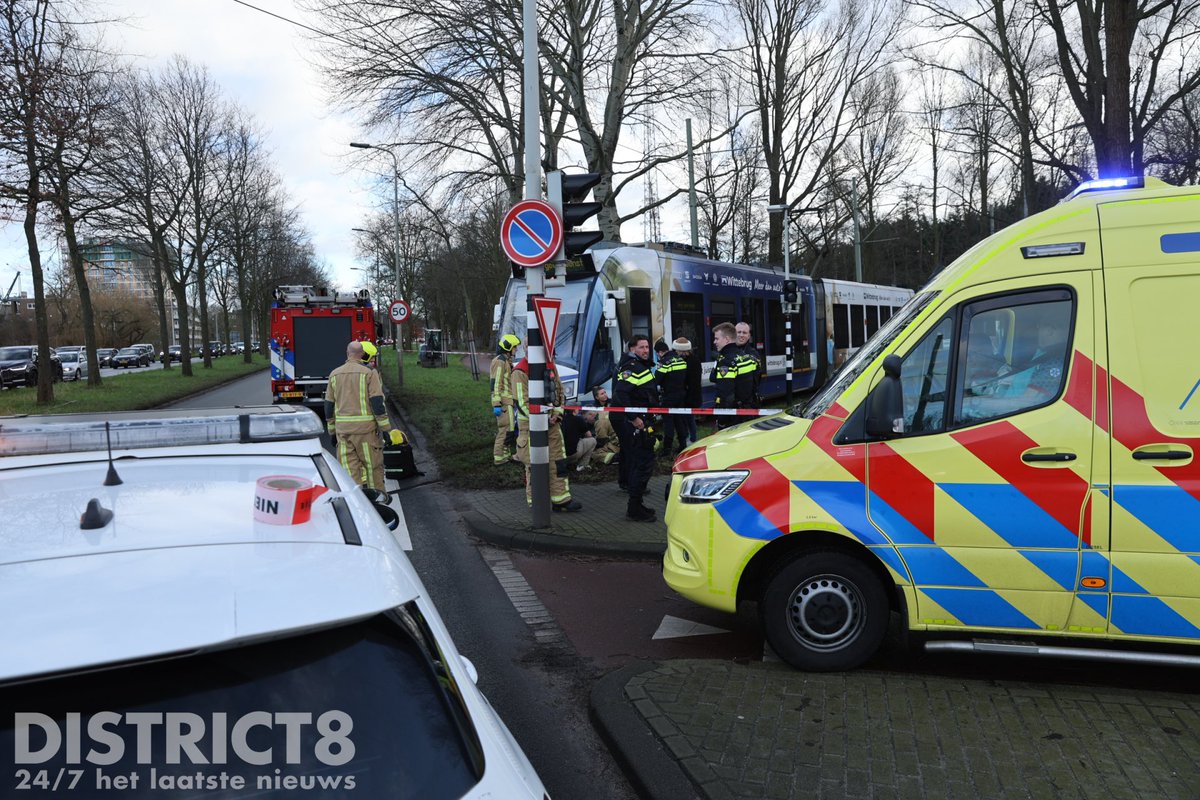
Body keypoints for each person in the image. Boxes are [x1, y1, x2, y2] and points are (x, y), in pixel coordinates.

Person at [325, 340, 402, 492]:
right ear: (362, 354)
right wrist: (386, 429)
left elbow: (329, 406)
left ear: (347, 354)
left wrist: (332, 432)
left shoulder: (334, 374)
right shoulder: (369, 373)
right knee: (373, 468)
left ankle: (356, 504)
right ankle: (378, 501)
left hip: (343, 433)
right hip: (366, 432)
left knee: (349, 471)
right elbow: (377, 403)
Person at [510, 355, 582, 512]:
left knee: (558, 463)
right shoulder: (520, 371)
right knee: (533, 466)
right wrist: (543, 418)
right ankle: (537, 503)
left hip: (552, 425)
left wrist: (557, 413)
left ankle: (561, 499)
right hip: (530, 427)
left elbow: (559, 392)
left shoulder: (550, 366)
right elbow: (522, 403)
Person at [612, 335, 658, 522]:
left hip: (645, 422)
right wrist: (634, 418)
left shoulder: (641, 366)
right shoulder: (632, 369)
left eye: (647, 347)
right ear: (632, 349)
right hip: (638, 425)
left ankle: (637, 504)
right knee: (641, 464)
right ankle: (634, 508)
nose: (646, 350)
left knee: (642, 463)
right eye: (641, 347)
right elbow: (621, 394)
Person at [712, 323, 756, 429]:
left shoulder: (726, 362)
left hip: (733, 419)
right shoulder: (746, 357)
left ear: (726, 339)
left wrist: (722, 421)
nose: (715, 342)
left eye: (717, 339)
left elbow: (726, 396)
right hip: (748, 413)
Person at [655, 337, 690, 456]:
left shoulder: (664, 362)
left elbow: (657, 380)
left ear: (659, 352)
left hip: (668, 396)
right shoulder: (680, 360)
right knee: (680, 420)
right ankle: (682, 445)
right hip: (681, 395)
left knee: (668, 422)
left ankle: (667, 449)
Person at [489, 333, 521, 466]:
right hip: (503, 403)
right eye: (515, 347)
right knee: (504, 430)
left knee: (510, 430)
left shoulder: (506, 361)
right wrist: (496, 404)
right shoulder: (500, 362)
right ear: (508, 347)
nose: (516, 350)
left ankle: (506, 455)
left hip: (509, 403)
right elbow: (496, 384)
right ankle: (498, 458)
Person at [735, 321, 764, 405]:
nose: (741, 335)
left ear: (749, 336)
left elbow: (756, 380)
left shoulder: (753, 354)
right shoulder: (727, 351)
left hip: (748, 403)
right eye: (738, 332)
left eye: (744, 333)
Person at [590, 386, 620, 466]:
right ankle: (614, 457)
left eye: (605, 392)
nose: (605, 395)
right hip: (603, 437)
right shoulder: (593, 410)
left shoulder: (613, 403)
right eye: (602, 394)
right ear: (597, 397)